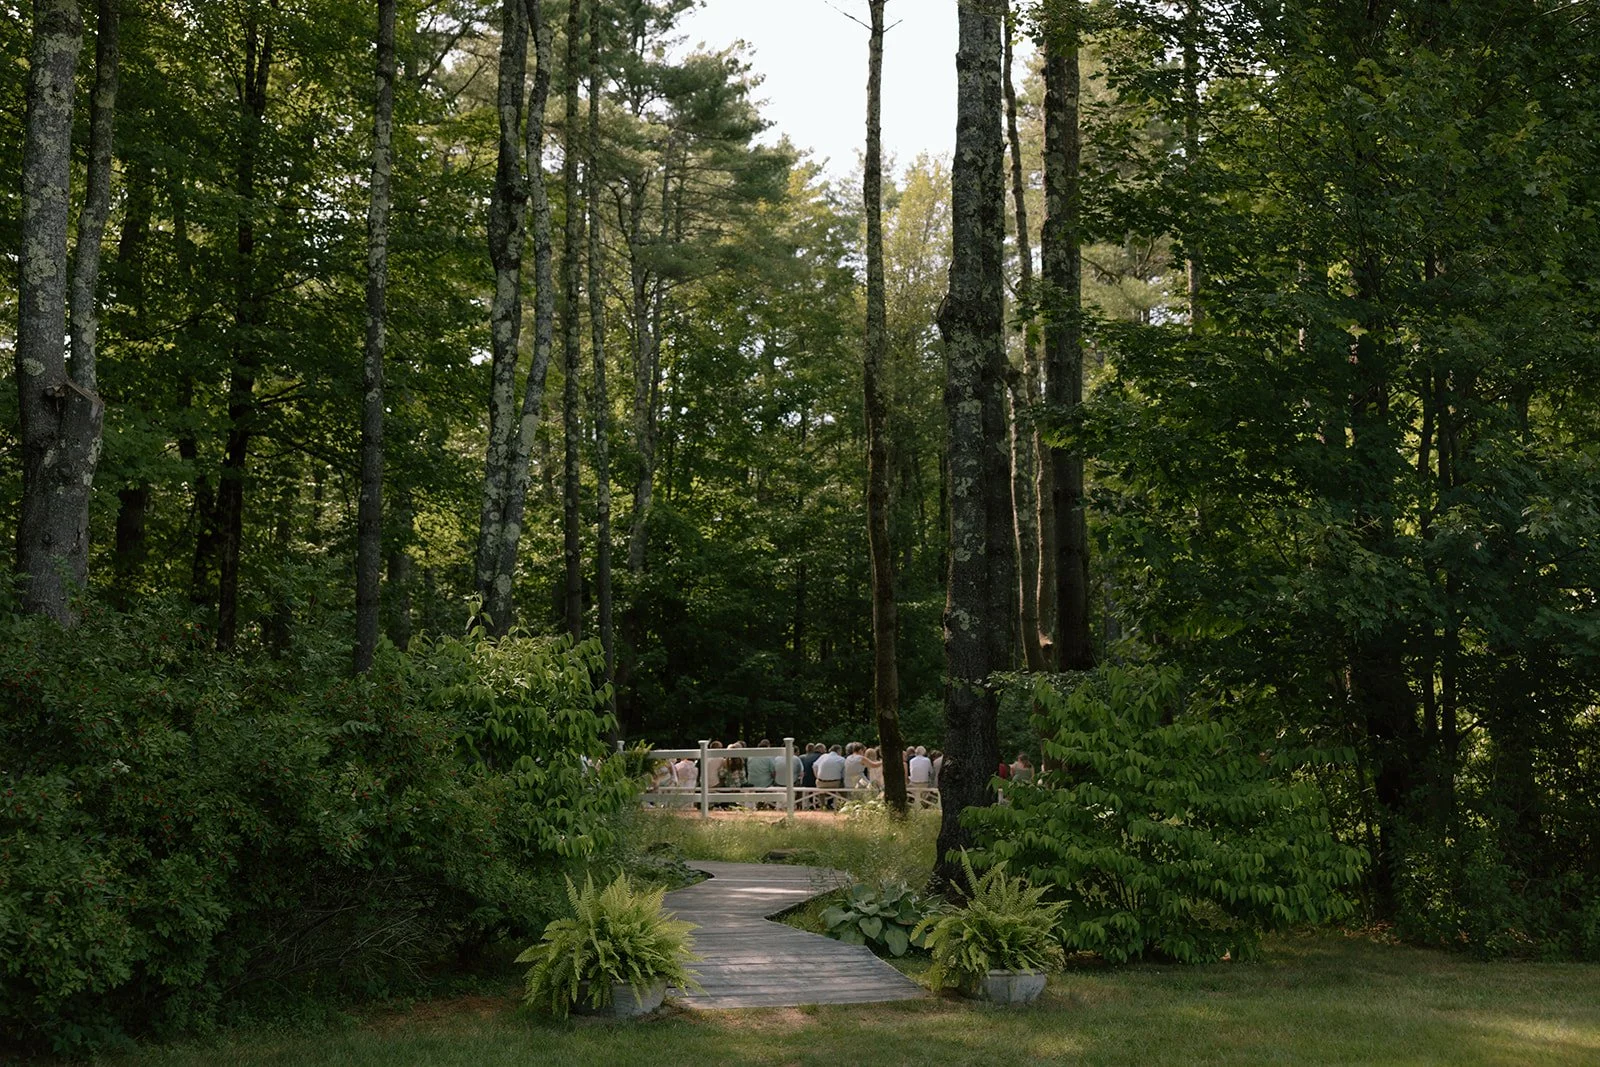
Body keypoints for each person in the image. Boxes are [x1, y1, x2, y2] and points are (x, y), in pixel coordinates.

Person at [813, 744, 847, 809]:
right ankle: (845, 803)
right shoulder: (841, 759)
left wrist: (817, 776)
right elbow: (844, 774)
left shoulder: (823, 756)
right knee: (843, 786)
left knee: (820, 788)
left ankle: (822, 805)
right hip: (835, 783)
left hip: (821, 783)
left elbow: (814, 766)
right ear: (839, 751)